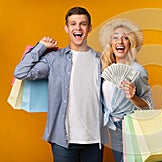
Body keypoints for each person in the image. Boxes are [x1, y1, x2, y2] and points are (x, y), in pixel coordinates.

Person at [14, 7, 107, 162]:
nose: (78, 28)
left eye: (83, 24)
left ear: (89, 28)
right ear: (67, 28)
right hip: (63, 141)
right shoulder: (55, 59)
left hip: (95, 140)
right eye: (73, 24)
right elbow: (21, 72)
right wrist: (41, 46)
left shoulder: (101, 60)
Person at [99, 18, 153, 162]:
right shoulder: (105, 68)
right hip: (112, 127)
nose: (120, 42)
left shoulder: (138, 70)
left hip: (130, 126)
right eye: (115, 37)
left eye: (125, 38)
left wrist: (133, 97)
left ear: (131, 44)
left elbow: (149, 105)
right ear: (111, 43)